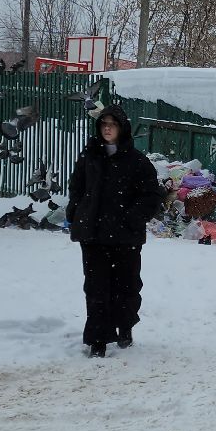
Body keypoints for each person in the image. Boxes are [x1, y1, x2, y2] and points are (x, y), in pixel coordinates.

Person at [67, 105, 164, 357]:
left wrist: (131, 217)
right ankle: (98, 339)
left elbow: (151, 196)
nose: (107, 128)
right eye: (103, 124)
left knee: (127, 286)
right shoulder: (89, 156)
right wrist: (76, 213)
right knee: (96, 287)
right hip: (94, 234)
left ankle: (125, 327)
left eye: (112, 124)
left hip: (125, 237)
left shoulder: (137, 161)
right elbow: (77, 187)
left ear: (122, 128)